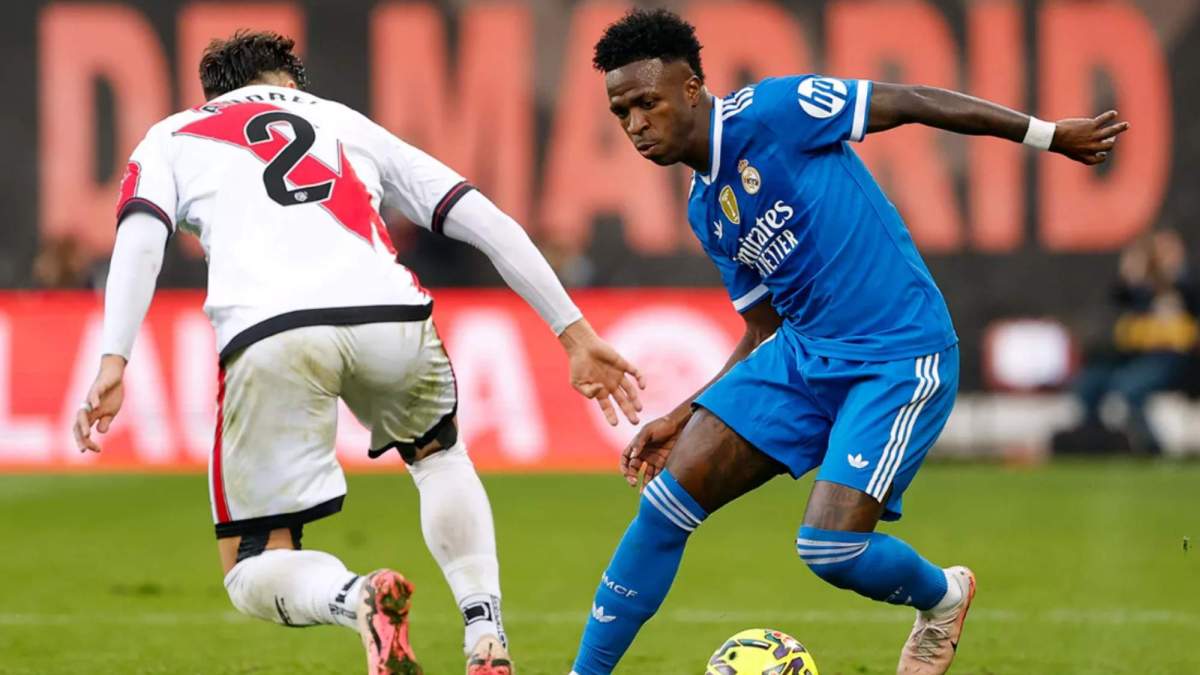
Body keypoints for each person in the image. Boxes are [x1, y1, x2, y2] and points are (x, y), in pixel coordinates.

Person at [570, 9, 1128, 675]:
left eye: (646, 103)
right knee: (663, 507)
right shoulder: (704, 208)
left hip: (898, 353)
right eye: (621, 111)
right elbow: (762, 328)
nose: (634, 125)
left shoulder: (775, 112)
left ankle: (944, 596)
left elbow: (912, 101)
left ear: (690, 88)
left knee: (829, 549)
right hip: (805, 353)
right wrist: (684, 413)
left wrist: (1046, 134)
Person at [70, 31, 645, 675]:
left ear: (216, 94)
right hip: (391, 314)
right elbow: (480, 216)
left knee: (252, 561)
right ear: (288, 83)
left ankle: (355, 597)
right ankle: (485, 632)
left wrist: (113, 357)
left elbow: (141, 240)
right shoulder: (344, 121)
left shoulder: (172, 135)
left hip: (270, 331)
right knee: (438, 457)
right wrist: (573, 332)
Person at [1071, 229, 1198, 454]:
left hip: (1176, 361)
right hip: (1135, 359)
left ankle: (1152, 448)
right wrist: (1132, 279)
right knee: (1088, 385)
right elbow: (1114, 308)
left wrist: (1172, 281)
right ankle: (1096, 444)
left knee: (1130, 387)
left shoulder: (1187, 286)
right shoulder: (1139, 290)